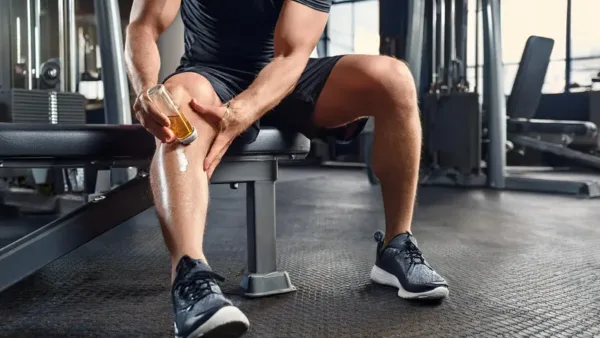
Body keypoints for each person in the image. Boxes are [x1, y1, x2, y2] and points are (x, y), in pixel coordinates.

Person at [125, 0, 449, 337]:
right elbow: (144, 26)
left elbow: (291, 54)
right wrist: (147, 89)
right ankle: (190, 276)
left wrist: (243, 109)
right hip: (208, 74)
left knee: (395, 79)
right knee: (173, 104)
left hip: (286, 76)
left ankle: (396, 246)